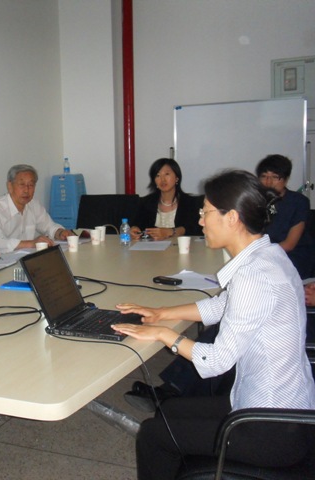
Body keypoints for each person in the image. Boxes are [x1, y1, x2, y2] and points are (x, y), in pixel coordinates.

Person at [113, 170, 315, 480]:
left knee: (153, 435)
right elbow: (222, 306)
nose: (201, 222)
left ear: (232, 218)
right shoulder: (267, 255)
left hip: (272, 429)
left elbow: (217, 360)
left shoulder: (253, 276)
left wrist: (165, 335)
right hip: (277, 408)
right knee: (170, 410)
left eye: (205, 213)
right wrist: (160, 313)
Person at [0, 164, 73, 252]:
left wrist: (60, 233)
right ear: (9, 186)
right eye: (22, 184)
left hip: (22, 259)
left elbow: (49, 226)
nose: (26, 190)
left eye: (31, 185)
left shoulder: (33, 205)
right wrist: (32, 243)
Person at [256, 154, 313, 279]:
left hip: (292, 256)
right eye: (264, 176)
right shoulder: (256, 201)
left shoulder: (298, 202)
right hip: (263, 254)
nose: (268, 182)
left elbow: (289, 244)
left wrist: (259, 256)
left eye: (275, 177)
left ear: (286, 179)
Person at [130, 158, 201, 240]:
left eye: (167, 174)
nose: (162, 180)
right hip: (152, 247)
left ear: (177, 178)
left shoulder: (191, 203)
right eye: (158, 175)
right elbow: (136, 225)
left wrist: (172, 232)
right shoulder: (145, 203)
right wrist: (134, 229)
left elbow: (196, 228)